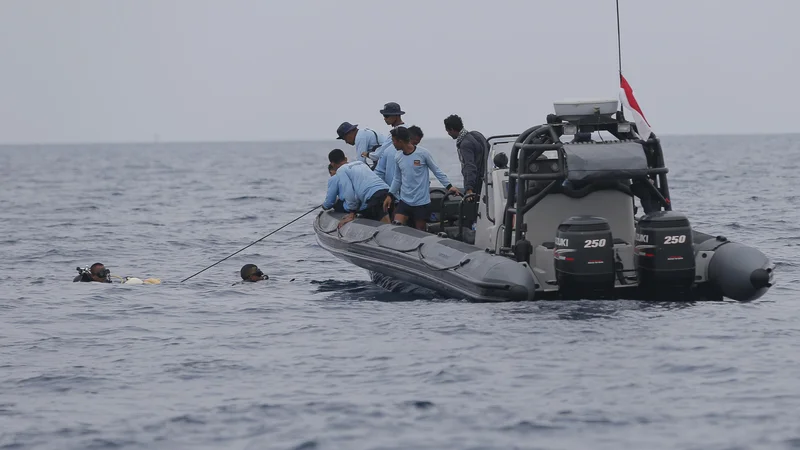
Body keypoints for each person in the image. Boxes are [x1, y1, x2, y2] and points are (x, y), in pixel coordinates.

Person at [383, 126, 460, 230]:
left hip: (421, 202)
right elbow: (397, 179)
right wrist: (390, 195)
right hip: (405, 201)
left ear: (400, 141)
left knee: (420, 231)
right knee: (396, 226)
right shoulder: (398, 156)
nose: (393, 144)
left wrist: (449, 186)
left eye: (393, 141)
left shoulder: (423, 154)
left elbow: (437, 171)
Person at [329, 150, 391, 227]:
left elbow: (349, 192)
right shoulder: (360, 163)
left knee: (385, 224)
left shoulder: (341, 170)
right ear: (345, 158)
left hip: (375, 196)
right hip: (388, 191)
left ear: (332, 163)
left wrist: (352, 213)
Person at [444, 114, 490, 199]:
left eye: (448, 131)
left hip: (476, 184)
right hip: (485, 180)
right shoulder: (476, 135)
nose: (448, 134)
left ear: (452, 129)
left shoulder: (465, 144)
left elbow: (469, 166)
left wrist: (469, 188)